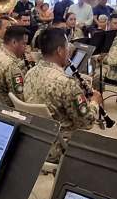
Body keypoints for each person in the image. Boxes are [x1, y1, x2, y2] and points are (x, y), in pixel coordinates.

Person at [22, 27, 100, 161]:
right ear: (59, 51)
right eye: (67, 47)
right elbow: (87, 122)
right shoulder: (66, 83)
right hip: (58, 145)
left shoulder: (30, 73)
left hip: (35, 140)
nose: (69, 51)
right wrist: (94, 102)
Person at [0, 25, 29, 106]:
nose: (26, 48)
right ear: (14, 42)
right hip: (9, 110)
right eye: (24, 44)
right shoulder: (11, 65)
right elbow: (21, 99)